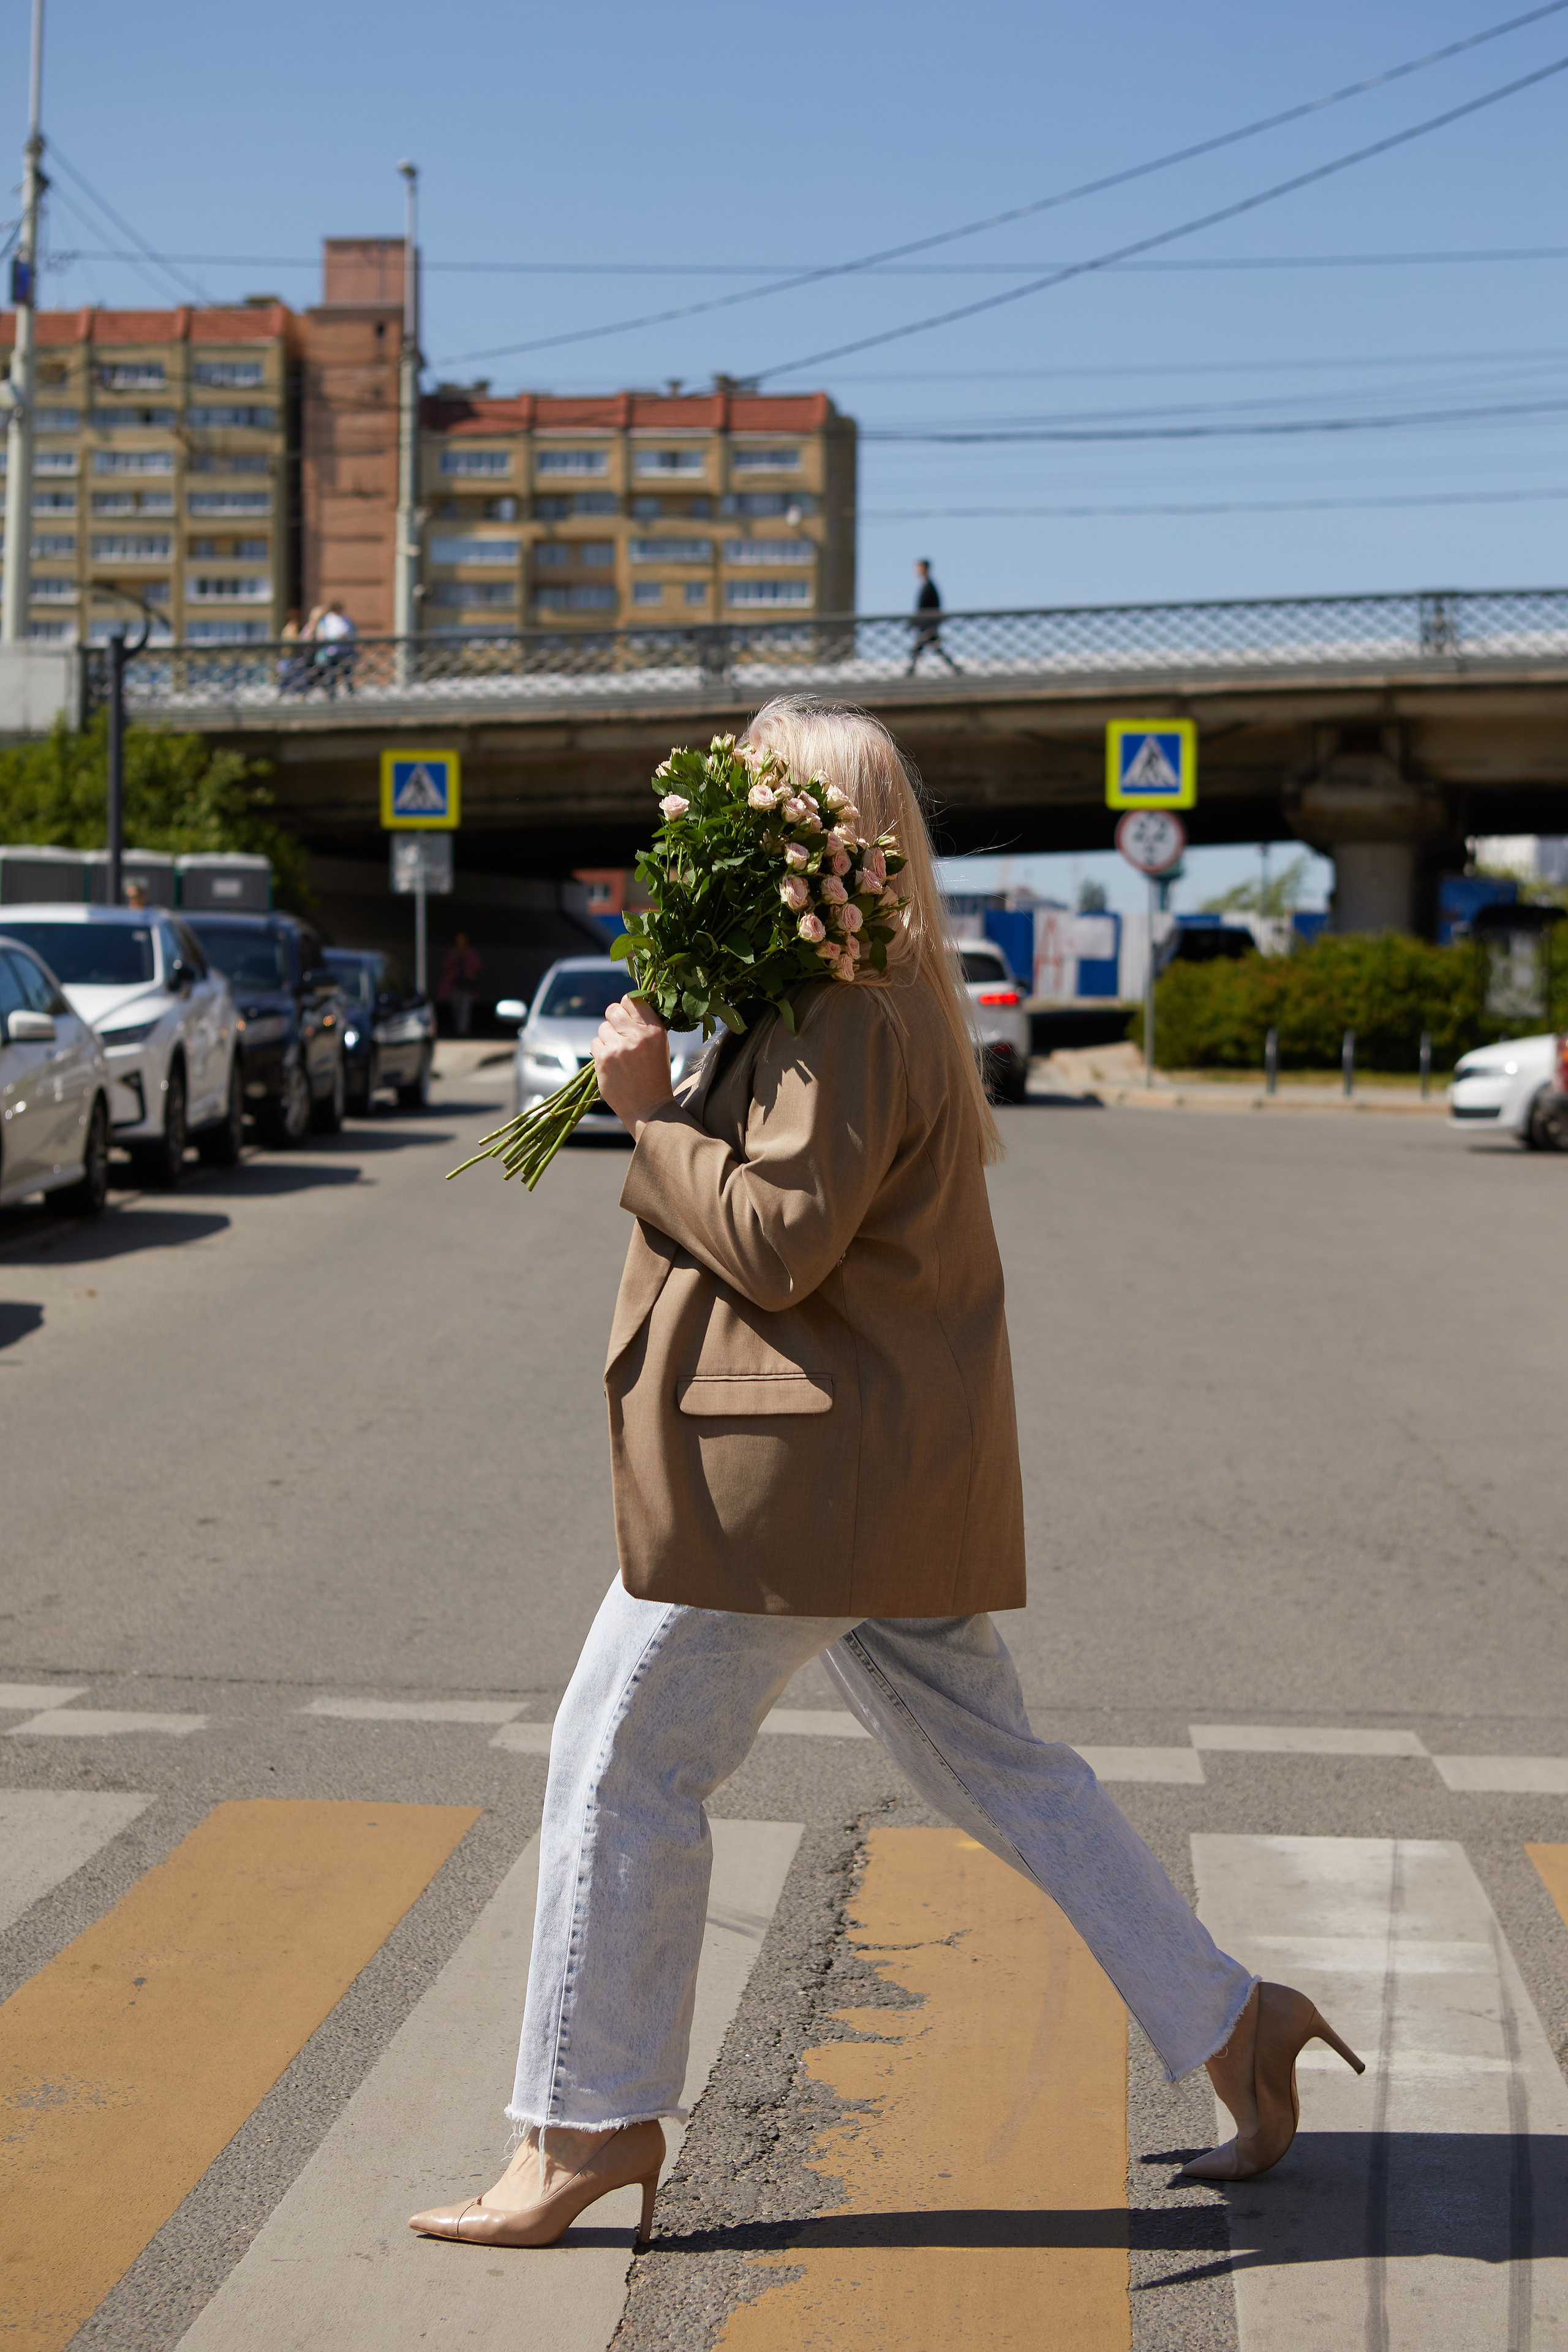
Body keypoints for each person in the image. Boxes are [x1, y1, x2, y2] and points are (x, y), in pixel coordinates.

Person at [409, 696, 1363, 2252]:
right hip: (866, 1472)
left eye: (749, 807)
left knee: (617, 1761)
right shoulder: (866, 992)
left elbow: (781, 1242)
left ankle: (586, 2122)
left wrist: (646, 1119)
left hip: (790, 1482)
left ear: (810, 836)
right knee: (1003, 1768)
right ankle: (1234, 2023)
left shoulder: (850, 1009)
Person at [907, 558, 960, 675]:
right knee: (931, 647)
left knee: (921, 648)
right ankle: (955, 668)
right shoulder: (928, 586)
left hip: (928, 625)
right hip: (928, 624)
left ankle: (910, 670)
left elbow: (929, 608)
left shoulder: (929, 587)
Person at [437, 932, 483, 1038]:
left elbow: (478, 966)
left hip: (467, 985)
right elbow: (444, 966)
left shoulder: (471, 953)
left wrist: (466, 958)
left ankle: (463, 1031)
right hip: (454, 985)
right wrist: (456, 958)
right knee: (456, 1008)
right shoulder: (453, 953)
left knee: (465, 1008)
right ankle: (458, 1029)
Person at [313, 600, 358, 696]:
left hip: (345, 651)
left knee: (347, 672)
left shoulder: (346, 620)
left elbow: (353, 633)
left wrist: (346, 638)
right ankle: (331, 692)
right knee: (331, 673)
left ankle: (350, 692)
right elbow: (320, 635)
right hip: (331, 651)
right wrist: (333, 638)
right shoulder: (326, 620)